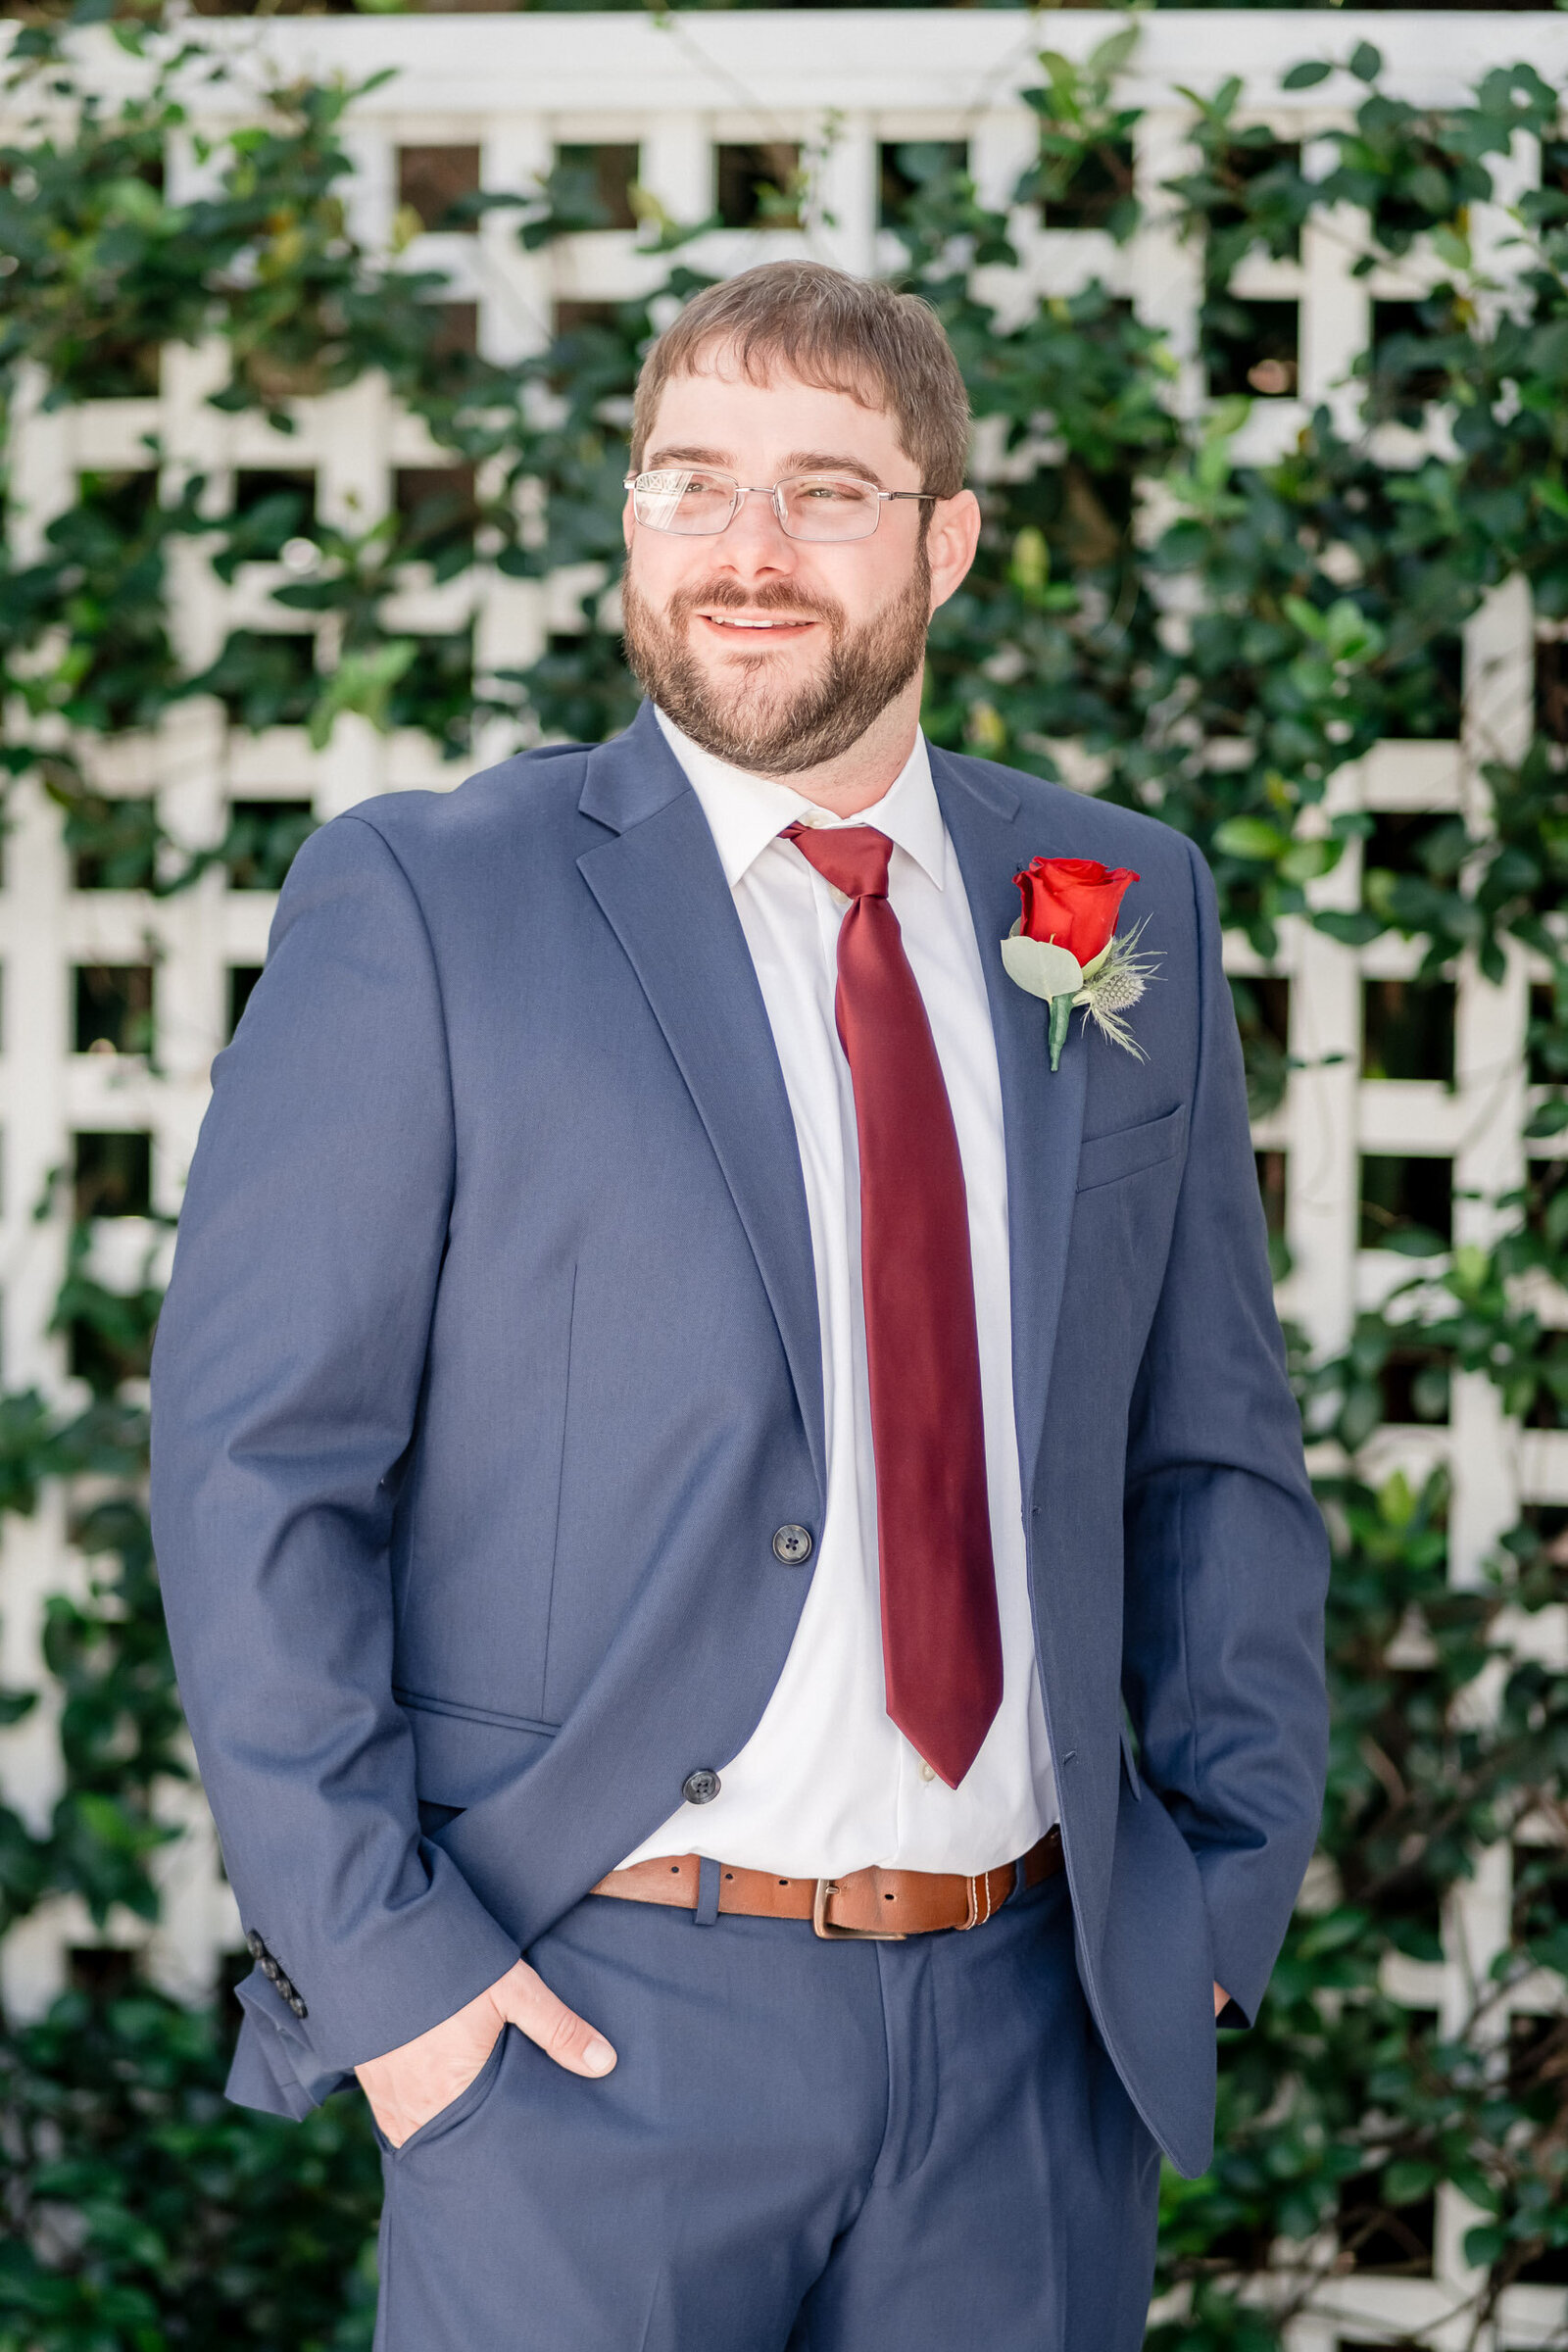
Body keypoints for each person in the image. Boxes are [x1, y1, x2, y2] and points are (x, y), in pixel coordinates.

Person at [150, 259, 1328, 2352]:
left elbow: (1208, 1438)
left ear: (946, 540)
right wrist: (400, 1986)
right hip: (582, 2036)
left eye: (825, 492)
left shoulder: (1114, 902)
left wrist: (1215, 1893)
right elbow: (258, 1475)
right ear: (628, 519)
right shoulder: (431, 899)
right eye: (687, 483)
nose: (746, 554)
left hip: (1027, 2045)